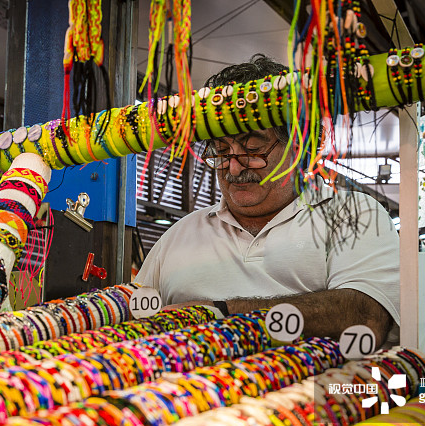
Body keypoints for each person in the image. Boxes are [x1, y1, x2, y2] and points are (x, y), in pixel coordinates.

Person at [135, 55, 400, 347]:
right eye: (222, 152)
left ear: (300, 147)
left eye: (253, 149)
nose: (234, 168)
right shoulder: (178, 236)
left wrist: (219, 314)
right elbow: (137, 318)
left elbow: (365, 315)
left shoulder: (353, 215)